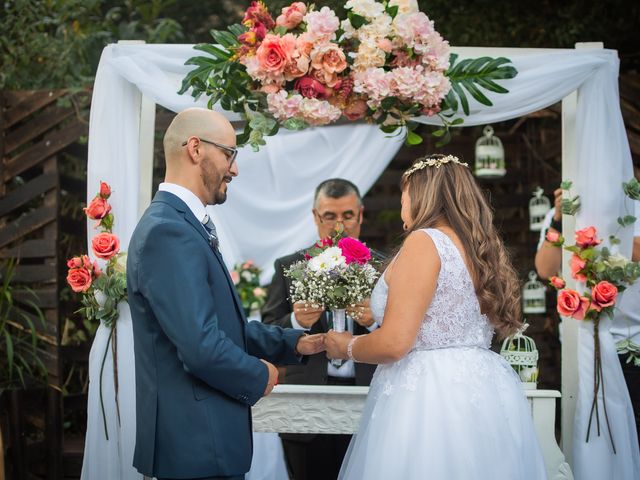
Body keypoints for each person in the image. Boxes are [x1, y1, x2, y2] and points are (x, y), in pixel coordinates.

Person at [126, 107, 324, 480]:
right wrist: (259, 374)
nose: (234, 168)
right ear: (196, 149)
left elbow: (220, 325)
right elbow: (201, 347)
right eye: (229, 153)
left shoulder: (179, 224)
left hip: (204, 445)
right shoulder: (168, 231)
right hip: (196, 445)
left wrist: (294, 343)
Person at [325, 154, 547, 479]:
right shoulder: (479, 247)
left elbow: (395, 343)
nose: (403, 207)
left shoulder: (424, 241)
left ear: (417, 194)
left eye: (403, 196)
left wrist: (345, 346)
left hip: (428, 395)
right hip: (483, 387)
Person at [261, 179, 379, 480]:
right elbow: (266, 331)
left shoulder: (383, 268)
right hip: (304, 407)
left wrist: (376, 321)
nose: (339, 225)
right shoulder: (288, 266)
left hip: (370, 402)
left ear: (361, 215)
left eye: (348, 215)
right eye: (329, 216)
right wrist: (297, 322)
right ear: (316, 216)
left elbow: (405, 331)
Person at [535, 184, 640, 445]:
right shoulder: (559, 215)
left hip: (633, 343)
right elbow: (545, 269)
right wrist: (560, 221)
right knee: (590, 433)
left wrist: (599, 234)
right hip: (580, 346)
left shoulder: (633, 205)